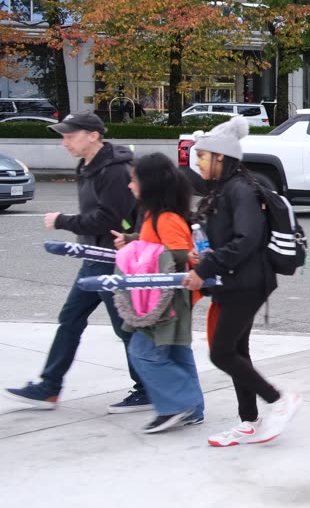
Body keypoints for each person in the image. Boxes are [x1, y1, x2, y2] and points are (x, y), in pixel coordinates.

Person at [4, 112, 149, 413]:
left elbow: (111, 219)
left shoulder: (114, 170)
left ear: (93, 135)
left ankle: (147, 388)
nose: (65, 141)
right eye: (64, 136)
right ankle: (49, 387)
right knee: (70, 319)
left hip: (114, 259)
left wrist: (62, 221)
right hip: (93, 257)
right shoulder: (88, 166)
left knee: (125, 327)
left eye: (71, 135)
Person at [186, 116, 301, 447]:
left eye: (202, 156)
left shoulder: (240, 190)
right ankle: (249, 421)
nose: (198, 163)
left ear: (220, 157)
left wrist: (205, 270)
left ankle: (278, 399)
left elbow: (247, 239)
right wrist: (202, 263)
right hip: (234, 282)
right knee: (236, 350)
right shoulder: (224, 189)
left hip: (249, 283)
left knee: (221, 352)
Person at [112, 153, 205, 433]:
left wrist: (138, 249)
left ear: (149, 184)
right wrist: (131, 240)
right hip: (171, 299)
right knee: (177, 352)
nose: (130, 185)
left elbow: (179, 254)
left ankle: (178, 404)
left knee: (142, 351)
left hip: (165, 303)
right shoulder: (156, 215)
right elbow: (156, 242)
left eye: (134, 180)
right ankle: (192, 409)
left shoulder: (165, 218)